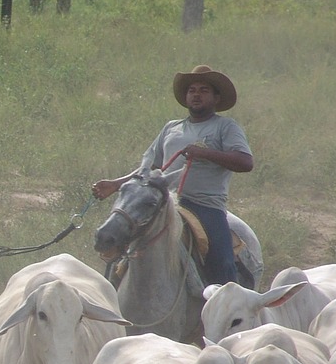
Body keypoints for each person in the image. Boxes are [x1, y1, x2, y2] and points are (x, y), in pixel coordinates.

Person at [92, 65, 254, 285]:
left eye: (204, 90)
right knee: (119, 237)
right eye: (192, 90)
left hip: (205, 206)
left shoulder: (225, 127)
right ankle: (111, 297)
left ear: (216, 98)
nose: (196, 94)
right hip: (163, 202)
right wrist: (116, 184)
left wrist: (205, 153)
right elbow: (148, 168)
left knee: (223, 261)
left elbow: (245, 162)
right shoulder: (171, 128)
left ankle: (228, 308)